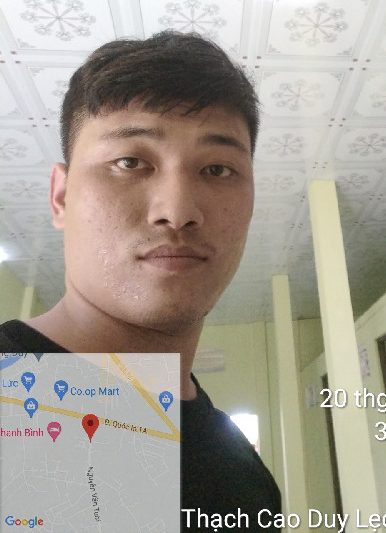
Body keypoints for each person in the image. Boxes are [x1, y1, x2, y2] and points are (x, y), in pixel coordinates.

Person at [0, 31, 281, 529]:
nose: (177, 211)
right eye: (130, 162)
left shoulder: (245, 471)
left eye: (218, 169)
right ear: (61, 197)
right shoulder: (15, 394)